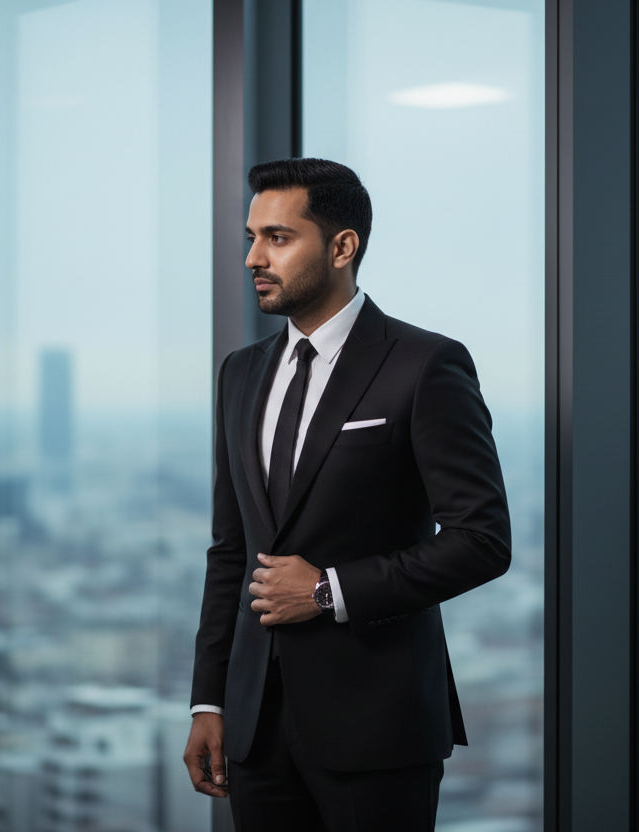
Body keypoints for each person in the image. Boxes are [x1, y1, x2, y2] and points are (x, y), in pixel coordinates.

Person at [182, 158, 511, 831]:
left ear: (341, 246)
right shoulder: (239, 374)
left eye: (277, 237)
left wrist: (329, 590)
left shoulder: (425, 364)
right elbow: (232, 550)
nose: (253, 257)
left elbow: (482, 542)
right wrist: (209, 702)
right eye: (251, 237)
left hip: (378, 726)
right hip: (254, 728)